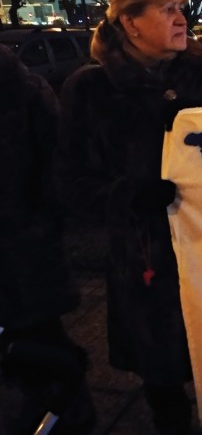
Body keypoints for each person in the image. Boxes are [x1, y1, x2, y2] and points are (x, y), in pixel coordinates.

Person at [55, 0, 202, 435]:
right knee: (165, 386)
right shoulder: (91, 91)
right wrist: (130, 196)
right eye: (167, 9)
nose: (181, 18)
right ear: (130, 21)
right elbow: (70, 182)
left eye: (181, 7)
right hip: (146, 266)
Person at [0, 44, 95, 434]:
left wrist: (36, 232)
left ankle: (68, 414)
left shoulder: (20, 89)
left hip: (20, 255)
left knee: (43, 349)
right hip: (23, 249)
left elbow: (58, 168)